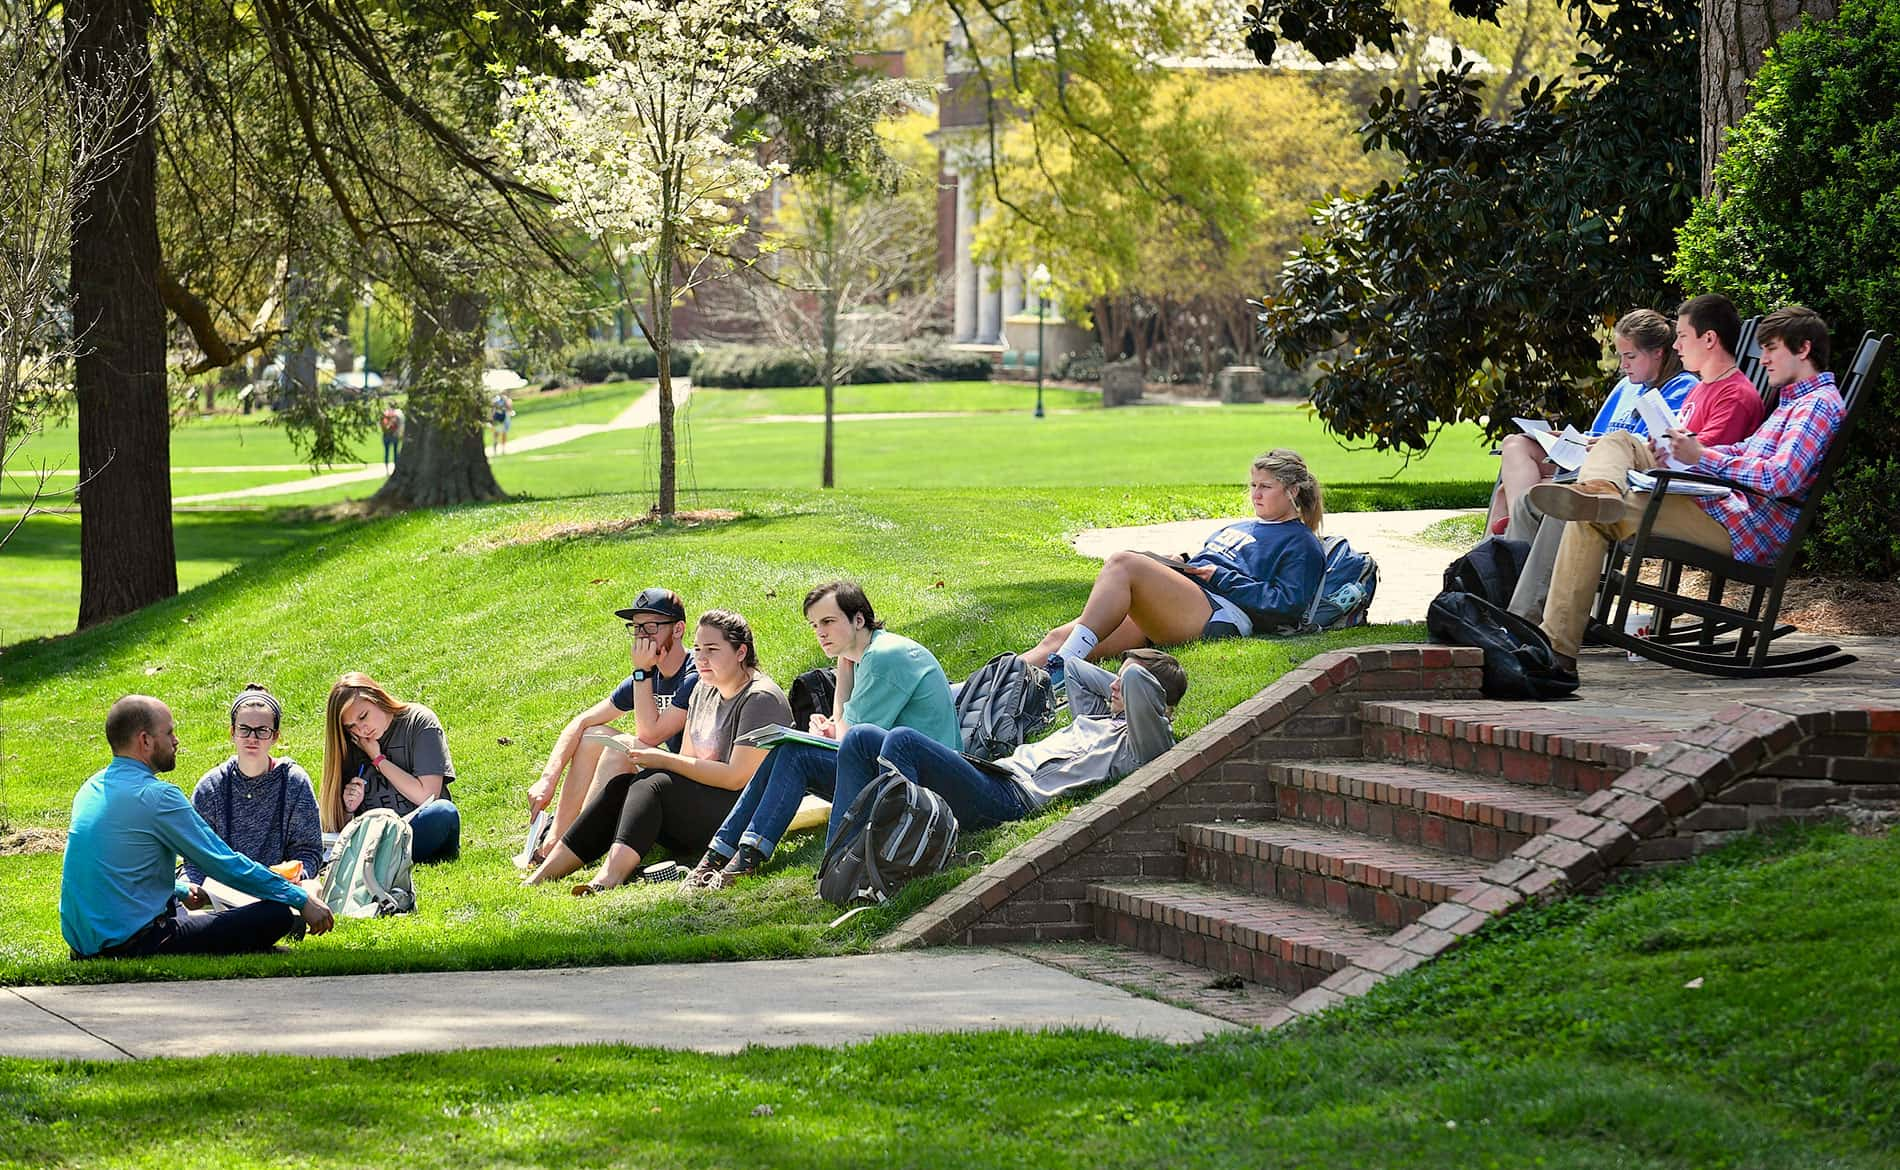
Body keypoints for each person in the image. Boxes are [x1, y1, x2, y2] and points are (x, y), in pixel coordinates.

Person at [1531, 304, 1843, 674]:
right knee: (1619, 443)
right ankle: (1601, 490)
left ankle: (1556, 652)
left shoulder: (1817, 406)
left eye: (1771, 349)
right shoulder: (1793, 402)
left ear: (1803, 349)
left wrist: (1703, 458)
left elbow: (1780, 478)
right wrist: (1692, 450)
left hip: (1742, 528)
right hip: (1724, 507)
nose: (1763, 359)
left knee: (1589, 520)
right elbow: (1745, 452)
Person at [1506, 294, 1770, 623]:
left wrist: (1654, 452)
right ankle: (1505, 598)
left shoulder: (1734, 396)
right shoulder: (1704, 388)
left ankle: (1523, 619)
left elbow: (1699, 463)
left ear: (1709, 339)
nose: (1676, 346)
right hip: (1660, 486)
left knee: (1573, 510)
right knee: (1530, 502)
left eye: (1683, 337)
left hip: (1690, 502)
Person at [690, 581, 960, 888]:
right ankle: (724, 855)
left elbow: (850, 740)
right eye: (814, 625)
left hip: (923, 787)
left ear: (858, 619)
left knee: (795, 754)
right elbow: (851, 732)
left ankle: (737, 859)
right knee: (786, 751)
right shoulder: (868, 655)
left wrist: (842, 672)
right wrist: (832, 722)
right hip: (893, 771)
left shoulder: (884, 656)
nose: (820, 632)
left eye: (828, 621)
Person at [524, 610, 791, 895]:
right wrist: (657, 761)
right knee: (621, 786)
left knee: (654, 784)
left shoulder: (759, 698)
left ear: (741, 652)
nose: (701, 658)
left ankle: (606, 880)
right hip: (703, 807)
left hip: (741, 815)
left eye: (712, 650)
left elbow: (736, 778)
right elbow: (688, 759)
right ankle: (543, 874)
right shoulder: (703, 688)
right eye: (698, 649)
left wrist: (660, 759)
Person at [59, 695, 335, 959]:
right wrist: (300, 899)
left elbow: (119, 872)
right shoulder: (157, 797)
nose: (176, 741)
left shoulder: (91, 788)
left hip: (83, 946)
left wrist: (178, 890)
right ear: (145, 740)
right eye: (169, 733)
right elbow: (224, 863)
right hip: (137, 942)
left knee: (204, 914)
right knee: (276, 915)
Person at [829, 649, 1186, 843]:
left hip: (1013, 798)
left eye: (1123, 684)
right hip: (995, 775)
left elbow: (1139, 681)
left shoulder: (1145, 743)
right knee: (862, 738)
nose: (1113, 687)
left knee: (903, 741)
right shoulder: (1101, 717)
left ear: (1157, 704)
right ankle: (840, 856)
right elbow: (1075, 669)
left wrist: (1136, 683)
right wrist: (1124, 679)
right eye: (1116, 679)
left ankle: (894, 854)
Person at [1023, 449, 1326, 669]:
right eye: (1253, 485)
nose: (1255, 494)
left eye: (1266, 487)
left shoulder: (1301, 543)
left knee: (1123, 563)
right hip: (1189, 600)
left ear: (1292, 491)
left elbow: (1287, 605)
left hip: (1221, 614)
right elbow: (1218, 561)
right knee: (1056, 638)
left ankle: (1063, 666)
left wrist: (1219, 576)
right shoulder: (1240, 527)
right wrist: (1179, 562)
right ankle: (985, 686)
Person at [1485, 309, 1697, 534]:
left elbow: (1657, 445)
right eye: (1621, 356)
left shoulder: (1681, 386)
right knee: (1514, 443)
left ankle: (1511, 541)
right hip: (1585, 458)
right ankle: (1506, 544)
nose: (1623, 365)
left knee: (1507, 494)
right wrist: (1565, 438)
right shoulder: (1626, 386)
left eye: (1631, 356)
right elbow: (1597, 433)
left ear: (1658, 353)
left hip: (1617, 474)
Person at [525, 588, 698, 857]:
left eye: (651, 627)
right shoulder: (645, 678)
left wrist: (642, 672)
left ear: (678, 630)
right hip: (666, 774)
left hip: (694, 781)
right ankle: (556, 840)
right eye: (636, 627)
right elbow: (580, 722)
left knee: (623, 746)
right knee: (594, 733)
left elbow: (650, 735)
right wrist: (547, 780)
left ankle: (578, 842)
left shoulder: (695, 673)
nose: (642, 636)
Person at [183, 684, 323, 887]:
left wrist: (297, 877)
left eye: (262, 731)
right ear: (232, 732)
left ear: (275, 736)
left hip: (279, 895)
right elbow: (196, 858)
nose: (252, 738)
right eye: (244, 729)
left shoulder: (294, 782)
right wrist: (194, 889)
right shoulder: (210, 788)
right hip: (221, 897)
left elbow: (309, 851)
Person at [320, 672, 461, 863]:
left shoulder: (418, 721)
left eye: (363, 716)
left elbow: (428, 796)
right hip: (374, 839)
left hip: (418, 829)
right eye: (351, 726)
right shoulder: (351, 743)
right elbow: (338, 829)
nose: (361, 729)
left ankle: (382, 861)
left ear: (377, 698)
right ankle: (381, 860)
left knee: (444, 813)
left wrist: (379, 760)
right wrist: (348, 808)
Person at [379, 404, 404, 471]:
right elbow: (399, 425)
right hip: (394, 435)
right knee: (395, 452)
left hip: (386, 435)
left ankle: (386, 468)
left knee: (386, 452)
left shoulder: (385, 414)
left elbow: (380, 424)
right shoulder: (397, 414)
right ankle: (395, 467)